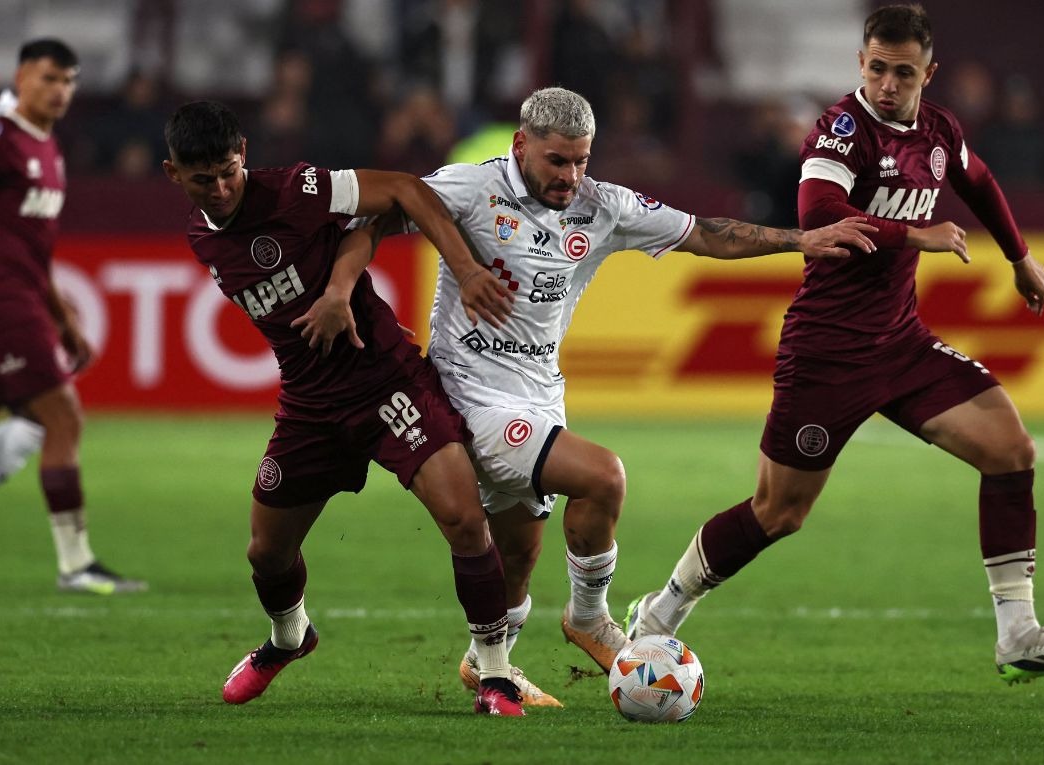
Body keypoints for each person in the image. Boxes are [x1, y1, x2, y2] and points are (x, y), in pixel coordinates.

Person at [302, 86, 876, 707]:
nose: (571, 176)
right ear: (522, 145)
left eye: (581, 160)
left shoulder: (604, 205)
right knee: (604, 476)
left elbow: (708, 234)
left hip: (542, 393)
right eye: (557, 161)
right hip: (469, 395)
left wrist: (800, 241)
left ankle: (486, 662)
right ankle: (589, 618)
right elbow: (375, 217)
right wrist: (338, 291)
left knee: (518, 557)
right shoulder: (471, 188)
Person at [624, 3, 1044, 687]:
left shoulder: (939, 129)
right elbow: (817, 214)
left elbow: (977, 177)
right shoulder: (841, 132)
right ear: (861, 63)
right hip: (827, 352)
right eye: (876, 67)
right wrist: (916, 234)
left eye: (902, 72)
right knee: (779, 511)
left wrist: (1019, 256)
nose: (886, 83)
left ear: (927, 74)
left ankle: (1018, 632)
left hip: (902, 343)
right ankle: (661, 610)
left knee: (1010, 449)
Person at [161, 100, 525, 715]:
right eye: (204, 179)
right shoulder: (202, 237)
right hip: (309, 404)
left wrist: (447, 272)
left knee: (465, 519)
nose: (221, 188)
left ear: (243, 152)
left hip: (386, 382)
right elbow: (348, 239)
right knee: (266, 552)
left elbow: (404, 192)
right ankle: (289, 638)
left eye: (228, 170)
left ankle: (495, 673)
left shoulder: (299, 189)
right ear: (174, 175)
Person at [0, 39, 146, 595]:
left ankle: (76, 564)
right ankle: (75, 564)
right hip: (6, 304)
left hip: (26, 298)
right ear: (21, 76)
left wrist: (63, 321)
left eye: (68, 81)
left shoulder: (49, 148)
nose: (59, 91)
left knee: (41, 421)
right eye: (48, 79)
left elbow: (33, 251)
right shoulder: (5, 136)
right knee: (62, 417)